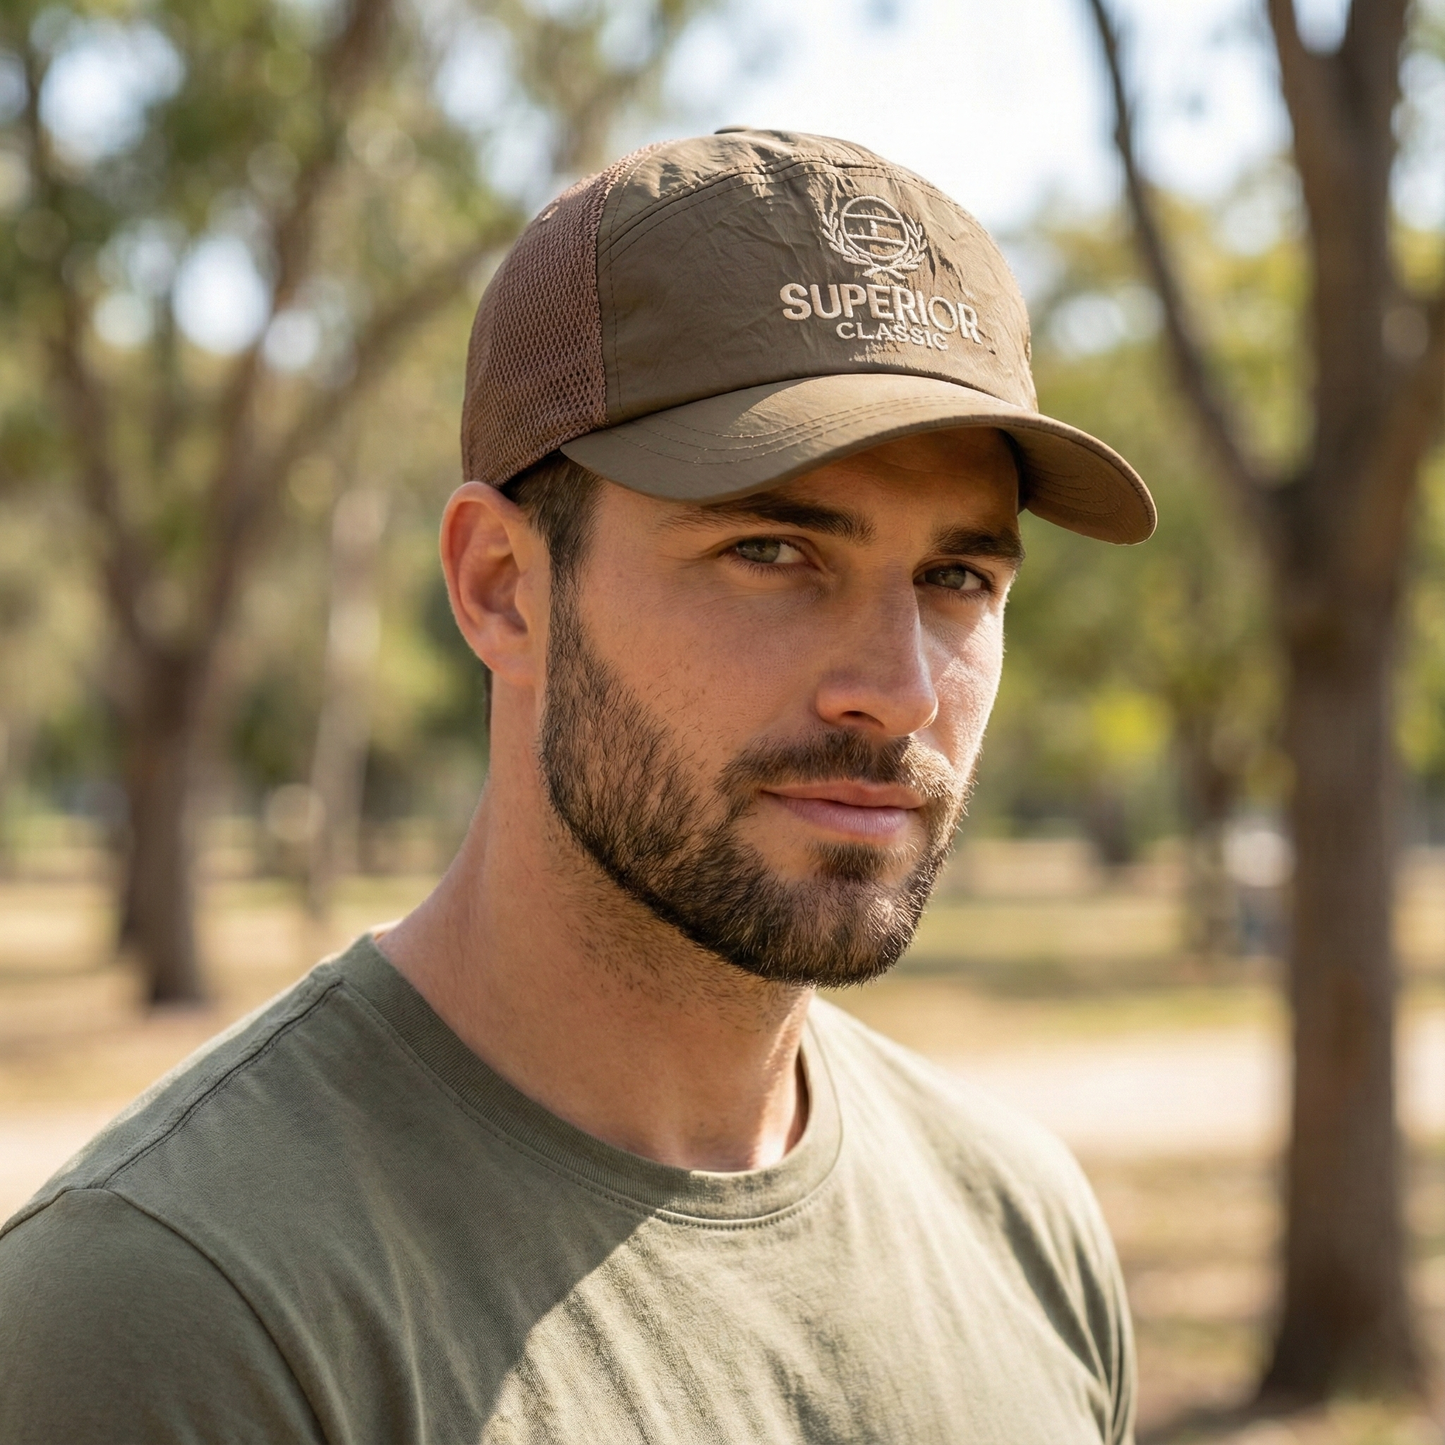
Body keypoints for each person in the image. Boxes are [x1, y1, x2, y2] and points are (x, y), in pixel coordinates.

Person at [0, 128, 1154, 1443]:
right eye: (771, 549)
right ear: (503, 587)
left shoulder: (1025, 1230)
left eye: (958, 578)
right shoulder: (176, 1309)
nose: (893, 689)